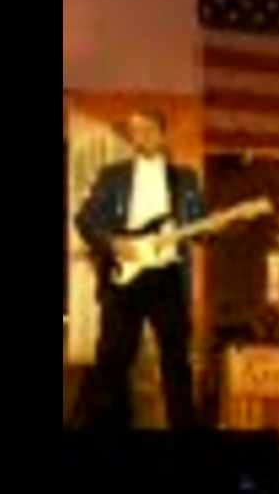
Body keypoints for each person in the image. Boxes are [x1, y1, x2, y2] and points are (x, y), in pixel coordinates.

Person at [75, 110, 210, 430]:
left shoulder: (185, 178)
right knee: (113, 355)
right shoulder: (113, 175)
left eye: (148, 129)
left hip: (167, 274)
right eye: (135, 131)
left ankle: (184, 429)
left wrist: (219, 226)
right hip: (125, 274)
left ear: (163, 134)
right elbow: (84, 219)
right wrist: (112, 244)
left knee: (176, 356)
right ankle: (104, 427)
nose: (141, 136)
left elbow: (200, 229)